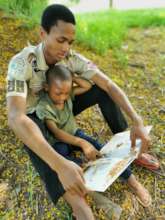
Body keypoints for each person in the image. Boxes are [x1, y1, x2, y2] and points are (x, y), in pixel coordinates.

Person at [6, 4, 151, 219]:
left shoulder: (71, 59)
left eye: (70, 42)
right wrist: (59, 164)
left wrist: (136, 120)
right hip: (35, 118)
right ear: (42, 33)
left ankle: (129, 147)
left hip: (60, 107)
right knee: (36, 144)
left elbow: (109, 84)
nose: (66, 48)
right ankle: (77, 204)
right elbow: (15, 117)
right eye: (60, 40)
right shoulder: (21, 63)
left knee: (102, 91)